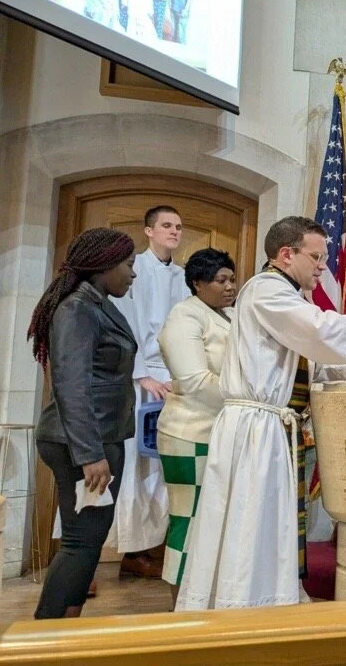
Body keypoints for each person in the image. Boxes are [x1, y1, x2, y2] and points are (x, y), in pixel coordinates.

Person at [176, 217, 346, 610]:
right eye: (316, 257)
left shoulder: (287, 296)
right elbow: (317, 330)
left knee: (268, 521)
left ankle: (268, 600)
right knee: (250, 520)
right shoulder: (266, 289)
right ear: (286, 254)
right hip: (255, 428)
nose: (323, 266)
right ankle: (239, 605)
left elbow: (308, 360)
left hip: (271, 426)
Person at [29, 228, 137, 618]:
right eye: (128, 265)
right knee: (80, 541)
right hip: (82, 441)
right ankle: (45, 633)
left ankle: (67, 627)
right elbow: (71, 385)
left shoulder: (97, 304)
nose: (132, 274)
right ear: (103, 264)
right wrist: (90, 454)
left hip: (99, 436)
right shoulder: (77, 308)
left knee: (90, 539)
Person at [110, 205, 188, 578]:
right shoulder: (133, 271)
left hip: (173, 381)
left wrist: (181, 377)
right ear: (149, 231)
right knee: (135, 466)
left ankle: (154, 547)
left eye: (179, 227)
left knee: (162, 468)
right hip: (140, 381)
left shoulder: (185, 277)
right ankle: (131, 547)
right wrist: (141, 374)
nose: (174, 231)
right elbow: (125, 324)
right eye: (166, 225)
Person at [156, 249, 236, 604]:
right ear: (198, 283)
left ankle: (205, 600)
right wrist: (246, 400)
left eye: (232, 279)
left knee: (214, 524)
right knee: (187, 520)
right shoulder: (184, 316)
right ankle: (180, 605)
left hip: (220, 430)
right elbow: (194, 381)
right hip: (188, 433)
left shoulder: (230, 315)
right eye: (221, 280)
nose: (230, 286)